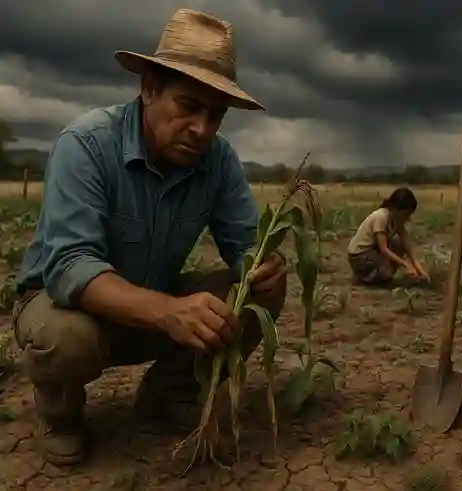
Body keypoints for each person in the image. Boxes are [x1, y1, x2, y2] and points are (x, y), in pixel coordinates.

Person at [11, 9, 288, 466]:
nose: (202, 128)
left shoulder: (218, 161)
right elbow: (69, 266)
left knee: (255, 301)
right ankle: (60, 415)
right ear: (149, 89)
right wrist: (169, 311)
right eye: (188, 106)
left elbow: (246, 245)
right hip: (66, 306)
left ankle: (168, 392)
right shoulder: (85, 144)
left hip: (152, 304)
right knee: (67, 338)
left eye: (215, 115)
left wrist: (261, 268)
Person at [347, 187, 430, 285]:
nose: (407, 218)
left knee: (398, 244)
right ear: (395, 209)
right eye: (405, 214)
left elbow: (407, 248)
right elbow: (384, 249)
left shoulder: (397, 221)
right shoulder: (381, 217)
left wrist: (420, 272)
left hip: (372, 252)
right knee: (386, 270)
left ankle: (379, 275)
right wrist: (405, 265)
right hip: (360, 256)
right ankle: (366, 277)